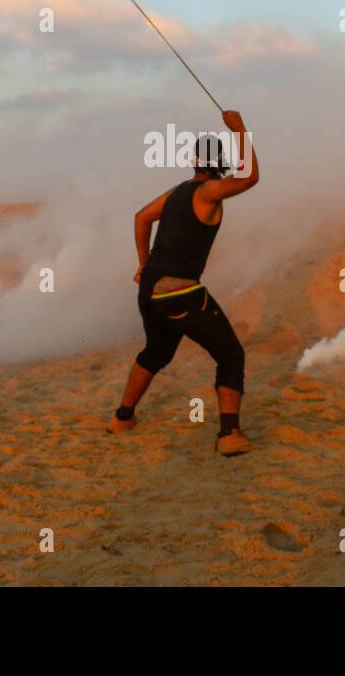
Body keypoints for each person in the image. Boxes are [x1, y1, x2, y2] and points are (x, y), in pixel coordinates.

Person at [108, 109, 260, 455]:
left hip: (149, 290)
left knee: (156, 353)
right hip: (177, 291)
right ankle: (229, 436)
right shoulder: (208, 193)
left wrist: (143, 265)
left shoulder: (177, 192)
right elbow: (250, 178)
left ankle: (122, 419)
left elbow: (141, 216)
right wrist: (240, 130)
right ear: (221, 163)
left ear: (194, 160)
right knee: (231, 355)